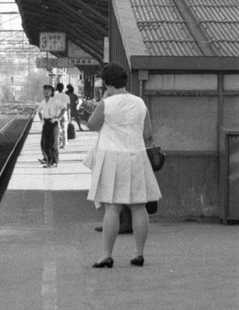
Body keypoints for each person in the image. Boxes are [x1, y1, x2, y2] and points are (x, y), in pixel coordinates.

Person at [85, 62, 161, 268]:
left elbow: (92, 124)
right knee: (138, 207)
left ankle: (107, 255)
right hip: (136, 157)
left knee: (112, 208)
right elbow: (147, 134)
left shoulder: (106, 104)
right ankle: (139, 254)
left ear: (107, 84)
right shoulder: (140, 103)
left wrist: (103, 101)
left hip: (112, 158)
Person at [37, 84, 64, 168]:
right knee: (44, 143)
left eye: (48, 91)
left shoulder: (55, 101)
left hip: (53, 122)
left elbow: (63, 109)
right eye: (44, 91)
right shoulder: (43, 102)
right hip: (46, 123)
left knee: (53, 143)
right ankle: (49, 161)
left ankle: (53, 162)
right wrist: (42, 120)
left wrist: (58, 118)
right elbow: (39, 111)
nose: (46, 92)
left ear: (51, 92)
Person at [53, 82, 70, 150]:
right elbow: (68, 107)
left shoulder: (55, 96)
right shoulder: (66, 96)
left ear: (57, 88)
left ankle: (57, 143)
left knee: (57, 129)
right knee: (64, 129)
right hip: (64, 113)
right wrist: (69, 116)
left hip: (57, 113)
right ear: (63, 88)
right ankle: (64, 144)